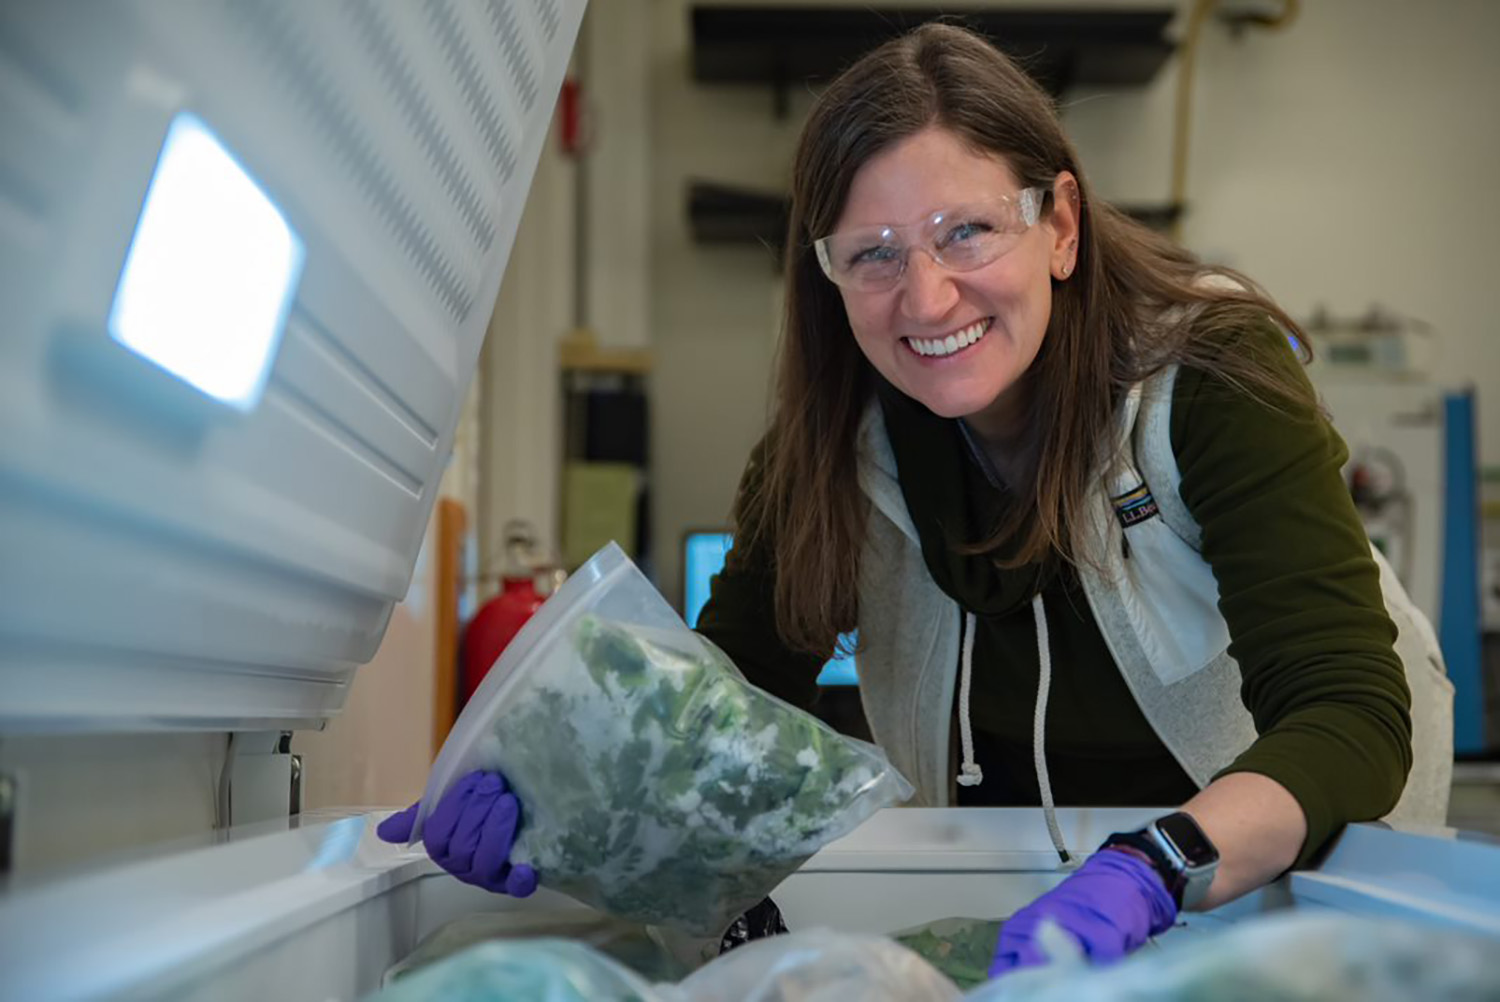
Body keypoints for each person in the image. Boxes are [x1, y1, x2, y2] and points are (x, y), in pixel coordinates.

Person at [379, 22, 1452, 978]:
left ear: (1062, 225)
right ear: (827, 276)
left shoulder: (1207, 380)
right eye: (875, 255)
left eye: (967, 232)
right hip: (1016, 892)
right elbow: (718, 721)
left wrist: (1156, 864)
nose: (928, 295)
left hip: (1280, 871)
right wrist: (552, 790)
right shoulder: (826, 452)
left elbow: (1348, 714)